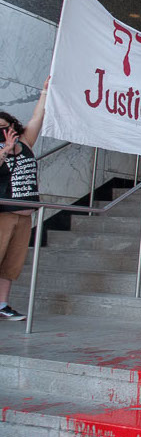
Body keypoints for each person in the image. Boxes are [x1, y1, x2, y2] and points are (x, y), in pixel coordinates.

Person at [0, 77, 48, 320]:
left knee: (12, 263)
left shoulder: (25, 142)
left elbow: (37, 119)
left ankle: (2, 305)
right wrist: (4, 151)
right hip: (4, 214)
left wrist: (44, 93)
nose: (4, 133)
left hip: (24, 215)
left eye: (6, 127)